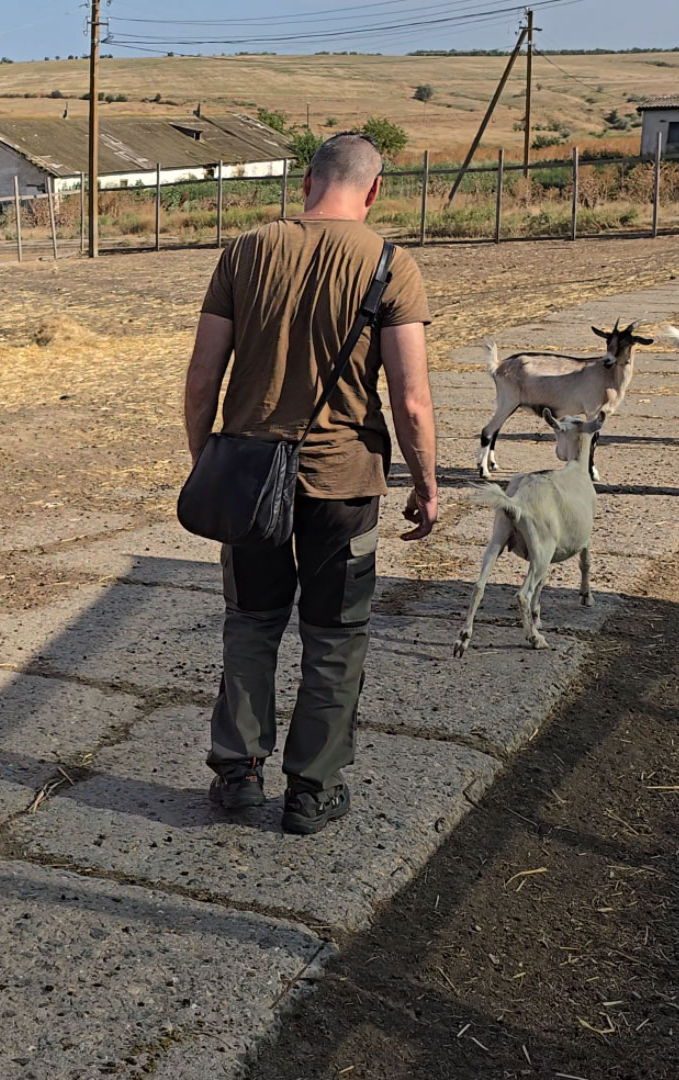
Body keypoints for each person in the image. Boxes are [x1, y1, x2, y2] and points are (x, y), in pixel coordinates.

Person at [182, 133, 438, 836]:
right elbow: (412, 399)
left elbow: (203, 377)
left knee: (251, 624)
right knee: (334, 636)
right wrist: (426, 483)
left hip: (247, 479)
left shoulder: (243, 252)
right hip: (345, 483)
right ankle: (312, 790)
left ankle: (237, 774)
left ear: (305, 183)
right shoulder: (392, 265)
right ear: (375, 189)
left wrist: (207, 460)